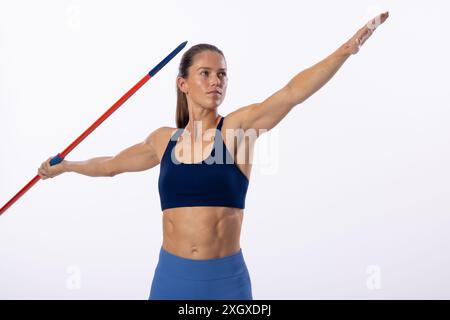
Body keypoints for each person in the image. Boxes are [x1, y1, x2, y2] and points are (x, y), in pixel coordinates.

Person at [37, 12, 389, 300]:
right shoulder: (163, 141)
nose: (215, 81)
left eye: (221, 74)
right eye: (204, 73)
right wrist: (67, 166)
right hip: (170, 280)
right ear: (183, 83)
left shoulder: (237, 130)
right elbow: (111, 165)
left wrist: (346, 49)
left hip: (226, 283)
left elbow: (291, 93)